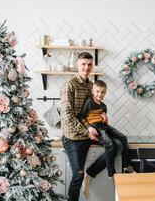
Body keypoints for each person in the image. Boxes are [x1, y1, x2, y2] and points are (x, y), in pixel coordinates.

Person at [60, 52, 123, 201]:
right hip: (74, 135)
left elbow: (94, 107)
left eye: (89, 64)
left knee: (119, 145)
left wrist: (103, 113)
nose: (86, 67)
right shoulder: (69, 86)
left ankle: (91, 173)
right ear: (77, 65)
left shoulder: (91, 86)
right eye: (83, 64)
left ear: (92, 66)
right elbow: (67, 115)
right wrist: (86, 130)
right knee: (77, 174)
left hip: (91, 130)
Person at [77, 80, 135, 193]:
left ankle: (126, 165)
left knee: (123, 138)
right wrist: (89, 127)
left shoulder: (103, 106)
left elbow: (103, 118)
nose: (100, 94)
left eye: (102, 92)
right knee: (109, 144)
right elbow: (81, 116)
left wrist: (105, 115)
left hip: (103, 126)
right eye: (97, 92)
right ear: (92, 91)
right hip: (94, 127)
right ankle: (111, 173)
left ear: (105, 93)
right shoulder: (89, 102)